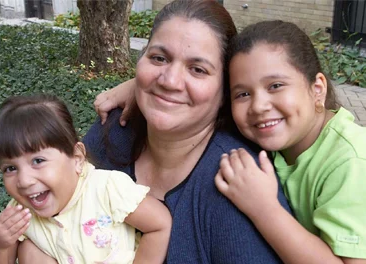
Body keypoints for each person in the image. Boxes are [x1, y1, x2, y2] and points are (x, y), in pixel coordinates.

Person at [83, 0, 293, 263]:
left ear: (225, 91)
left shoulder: (236, 182)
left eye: (198, 69)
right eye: (159, 58)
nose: (170, 81)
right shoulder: (112, 130)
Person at [214, 20, 366, 264]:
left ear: (317, 88)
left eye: (275, 86)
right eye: (242, 94)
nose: (258, 106)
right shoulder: (280, 138)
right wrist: (137, 89)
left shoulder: (351, 162)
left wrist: (264, 209)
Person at [0, 94, 171, 264]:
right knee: (30, 249)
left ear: (77, 158)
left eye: (38, 160)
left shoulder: (106, 188)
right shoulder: (19, 215)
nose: (24, 180)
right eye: (10, 168)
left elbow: (159, 224)